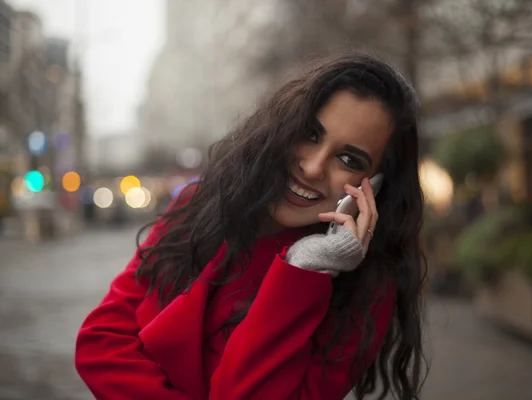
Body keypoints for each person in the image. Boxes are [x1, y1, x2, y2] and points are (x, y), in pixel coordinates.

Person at [75, 54, 426, 400]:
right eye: (310, 134)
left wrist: (304, 269)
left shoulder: (367, 289)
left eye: (349, 159)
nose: (314, 167)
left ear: (375, 185)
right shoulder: (200, 205)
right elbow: (99, 343)